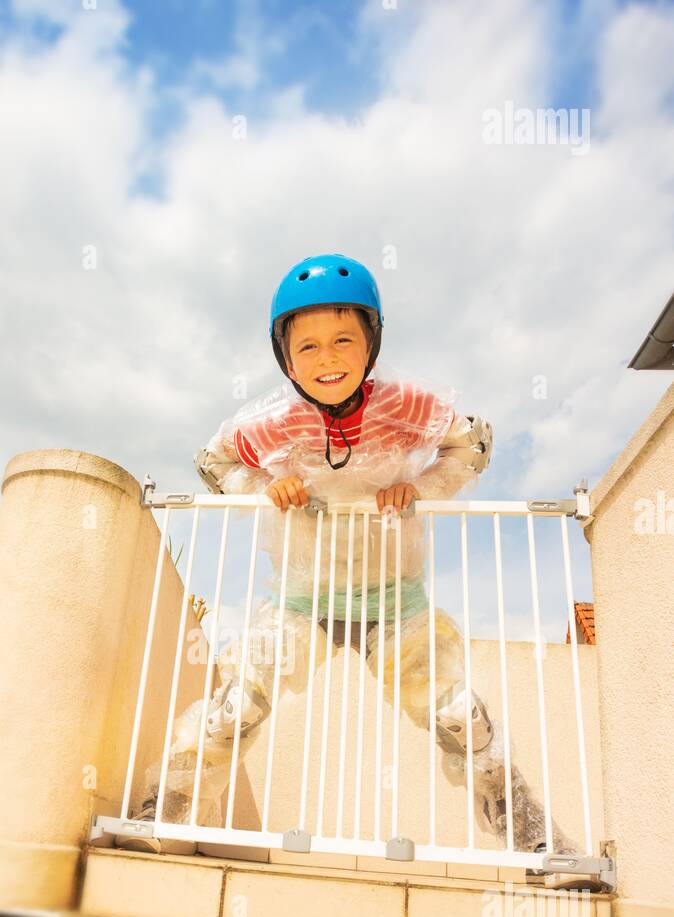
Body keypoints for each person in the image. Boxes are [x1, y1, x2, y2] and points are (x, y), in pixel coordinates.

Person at [117, 253, 572, 858]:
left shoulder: (409, 405)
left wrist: (423, 487)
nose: (326, 358)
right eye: (306, 347)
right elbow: (213, 462)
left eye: (342, 340)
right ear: (286, 358)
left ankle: (536, 841)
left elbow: (473, 444)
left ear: (371, 343)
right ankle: (160, 817)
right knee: (235, 708)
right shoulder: (270, 421)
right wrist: (263, 487)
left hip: (393, 600)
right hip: (302, 600)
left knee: (462, 717)